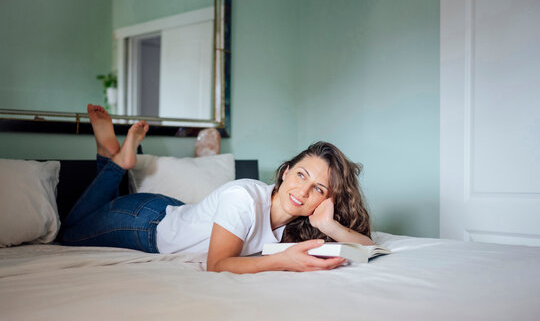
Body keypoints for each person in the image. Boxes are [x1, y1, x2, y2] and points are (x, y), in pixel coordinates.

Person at [60, 104, 374, 274]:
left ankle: (109, 151)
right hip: (144, 224)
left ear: (326, 199)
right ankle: (117, 162)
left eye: (319, 189)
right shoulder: (244, 197)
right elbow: (218, 265)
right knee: (69, 232)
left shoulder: (300, 222)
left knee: (91, 216)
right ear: (286, 171)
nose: (304, 191)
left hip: (168, 209)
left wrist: (328, 224)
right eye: (302, 174)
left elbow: (367, 247)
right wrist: (284, 260)